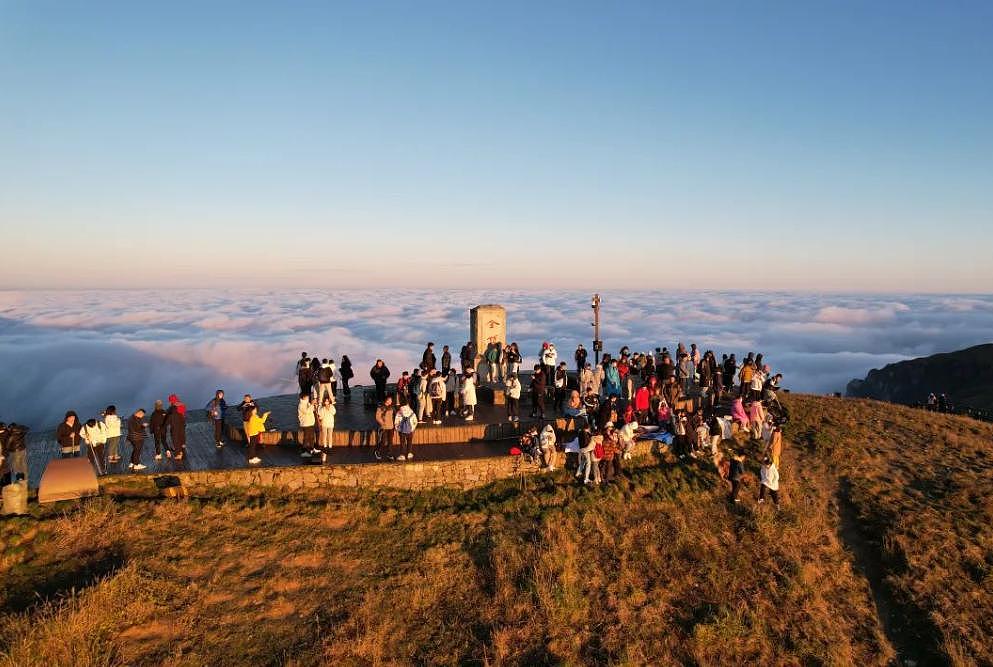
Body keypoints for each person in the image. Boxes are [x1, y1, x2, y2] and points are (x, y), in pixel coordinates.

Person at [374, 396, 397, 461]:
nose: (390, 401)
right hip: (384, 427)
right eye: (389, 400)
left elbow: (394, 416)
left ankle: (389, 453)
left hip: (391, 427)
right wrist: (382, 423)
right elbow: (377, 417)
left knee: (390, 441)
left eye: (391, 400)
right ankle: (377, 451)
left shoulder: (392, 407)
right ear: (386, 400)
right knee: (383, 441)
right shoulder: (381, 407)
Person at [298, 392, 318, 458]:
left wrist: (315, 405)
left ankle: (312, 449)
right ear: (303, 397)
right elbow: (306, 412)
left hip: (311, 423)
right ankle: (304, 452)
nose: (308, 398)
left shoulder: (307, 403)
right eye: (307, 397)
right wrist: (312, 404)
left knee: (312, 437)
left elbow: (312, 410)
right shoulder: (301, 405)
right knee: (306, 438)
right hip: (305, 423)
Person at [317, 395, 336, 463]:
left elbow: (334, 412)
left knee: (330, 436)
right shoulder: (322, 408)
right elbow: (321, 416)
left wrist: (329, 408)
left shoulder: (332, 407)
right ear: (324, 402)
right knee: (324, 436)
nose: (326, 402)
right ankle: (325, 447)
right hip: (324, 424)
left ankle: (330, 447)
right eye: (325, 401)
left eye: (328, 401)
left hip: (330, 424)